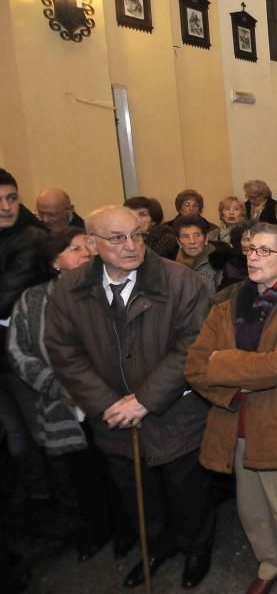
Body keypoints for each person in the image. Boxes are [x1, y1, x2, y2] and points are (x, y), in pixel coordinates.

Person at [45, 206, 215, 589]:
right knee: (137, 494)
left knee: (186, 491)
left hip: (174, 411)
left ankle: (196, 549)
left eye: (136, 235)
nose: (131, 245)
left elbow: (194, 344)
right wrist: (107, 404)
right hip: (114, 418)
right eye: (117, 238)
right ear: (91, 243)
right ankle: (156, 547)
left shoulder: (179, 280)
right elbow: (64, 353)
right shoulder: (70, 289)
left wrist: (145, 399)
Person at [184, 222, 277, 594]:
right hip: (235, 419)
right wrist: (234, 386)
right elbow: (195, 366)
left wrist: (223, 364)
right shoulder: (228, 299)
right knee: (252, 508)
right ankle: (269, 563)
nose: (253, 257)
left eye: (265, 251)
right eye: (250, 250)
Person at [8, 227, 131, 562]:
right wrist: (57, 386)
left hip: (106, 400)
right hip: (62, 404)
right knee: (80, 476)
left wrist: (95, 388)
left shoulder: (107, 291)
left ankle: (126, 532)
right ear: (54, 261)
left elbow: (123, 347)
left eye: (88, 247)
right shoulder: (32, 300)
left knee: (116, 472)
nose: (86, 254)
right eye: (76, 249)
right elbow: (18, 352)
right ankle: (95, 530)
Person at [0, 169, 50, 510]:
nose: (6, 207)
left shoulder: (32, 238)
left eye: (12, 198)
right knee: (15, 438)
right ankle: (38, 497)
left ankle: (64, 507)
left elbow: (5, 296)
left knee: (42, 433)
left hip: (25, 355)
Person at [173, 215, 223, 297]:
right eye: (185, 236)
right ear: (178, 241)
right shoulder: (171, 266)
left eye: (197, 235)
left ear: (206, 238)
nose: (192, 241)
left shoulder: (220, 263)